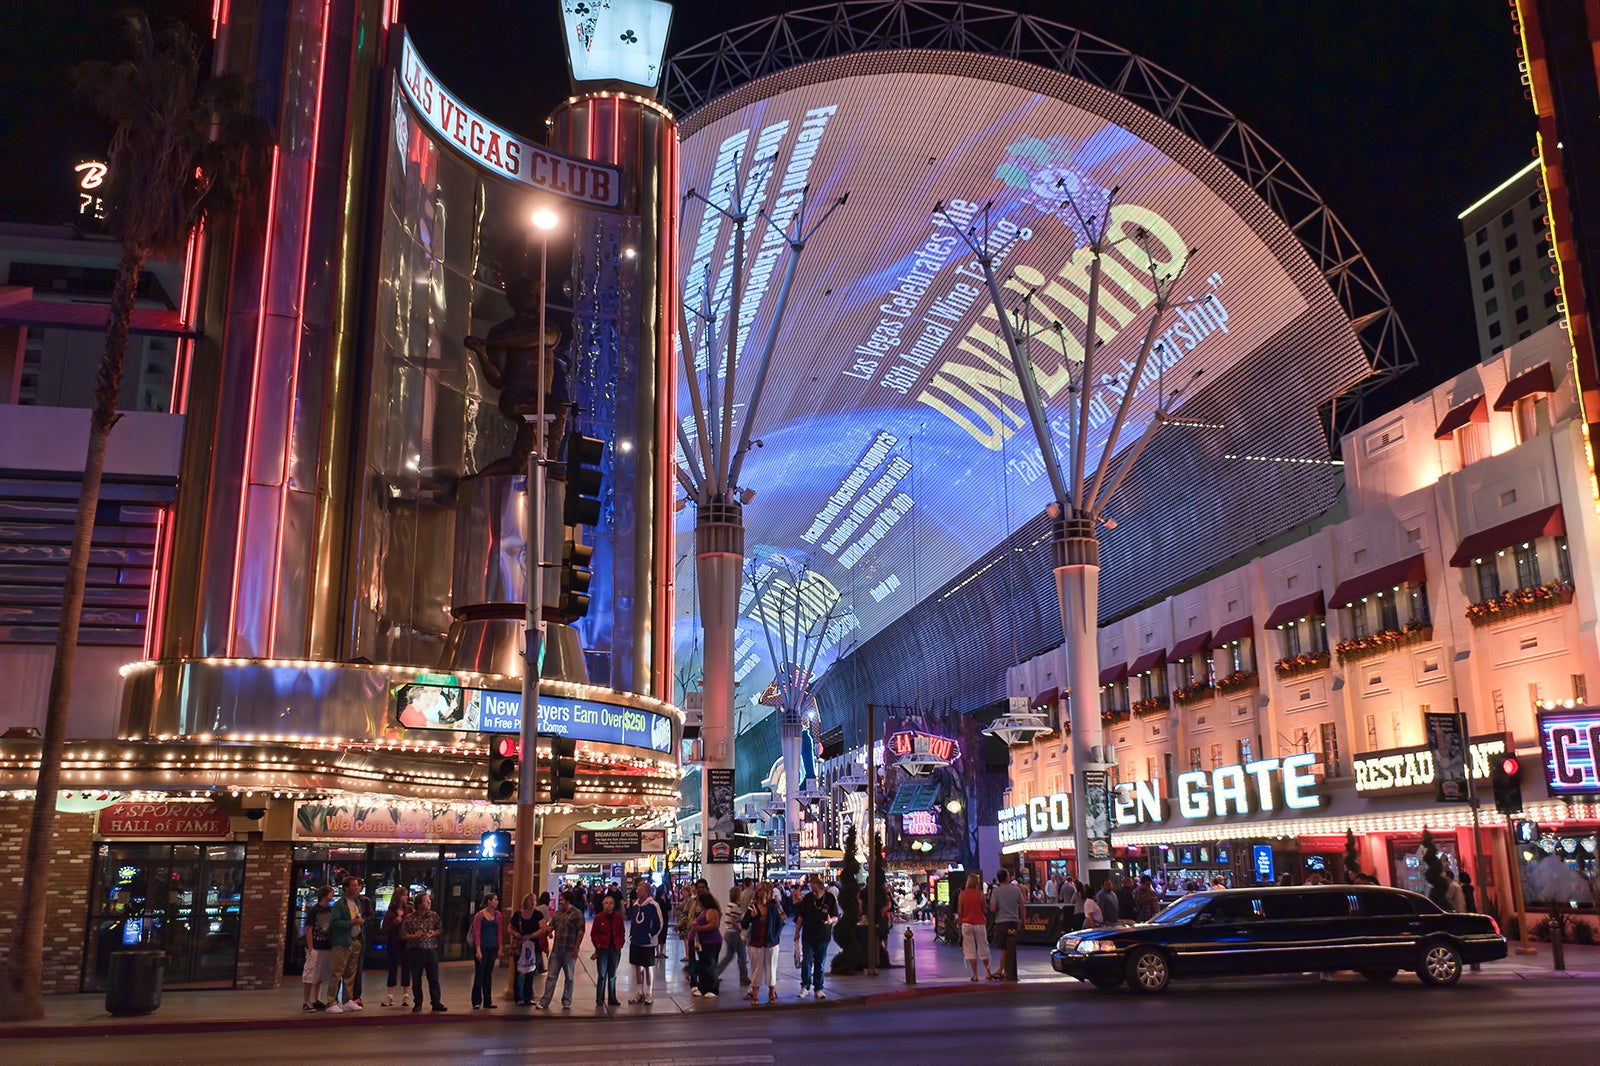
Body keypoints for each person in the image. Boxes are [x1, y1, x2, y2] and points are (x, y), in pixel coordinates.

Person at [537, 890, 586, 1010]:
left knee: (569, 977)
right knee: (551, 976)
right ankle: (544, 1001)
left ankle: (566, 1001)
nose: (560, 901)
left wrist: (576, 947)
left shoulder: (577, 914)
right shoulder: (558, 914)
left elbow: (580, 932)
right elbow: (551, 927)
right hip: (557, 950)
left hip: (569, 950)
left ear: (568, 901)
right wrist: (544, 928)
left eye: (562, 899)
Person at [793, 875, 839, 1000]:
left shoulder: (829, 898)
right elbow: (800, 916)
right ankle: (806, 986)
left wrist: (830, 921)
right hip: (808, 935)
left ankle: (819, 988)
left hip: (823, 936)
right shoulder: (808, 898)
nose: (813, 892)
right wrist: (797, 932)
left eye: (815, 890)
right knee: (807, 961)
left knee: (820, 963)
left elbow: (836, 916)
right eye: (812, 890)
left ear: (821, 888)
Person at [326, 876, 366, 1013]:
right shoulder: (340, 905)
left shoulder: (356, 903)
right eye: (354, 886)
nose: (357, 888)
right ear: (347, 888)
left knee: (351, 973)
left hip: (355, 940)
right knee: (337, 972)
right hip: (342, 942)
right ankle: (331, 1001)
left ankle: (347, 1000)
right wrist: (351, 923)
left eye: (358, 885)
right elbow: (334, 924)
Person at [402, 890, 446, 1013]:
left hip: (430, 949)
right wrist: (414, 936)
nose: (429, 902)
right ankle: (418, 1003)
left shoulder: (434, 916)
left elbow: (439, 929)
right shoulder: (410, 918)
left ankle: (436, 1002)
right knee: (416, 979)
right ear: (420, 904)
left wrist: (433, 933)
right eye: (426, 901)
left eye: (429, 901)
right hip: (415, 951)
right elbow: (403, 934)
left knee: (434, 978)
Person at [741, 881, 783, 1004]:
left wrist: (775, 937)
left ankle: (772, 992)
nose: (762, 893)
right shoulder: (752, 906)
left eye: (764, 890)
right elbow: (743, 924)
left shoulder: (773, 906)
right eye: (760, 890)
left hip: (771, 943)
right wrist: (752, 917)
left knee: (771, 969)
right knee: (756, 970)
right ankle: (755, 995)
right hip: (755, 943)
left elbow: (779, 923)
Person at [627, 879, 664, 1004]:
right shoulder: (635, 905)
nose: (637, 891)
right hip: (636, 941)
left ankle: (649, 992)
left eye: (640, 889)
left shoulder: (653, 905)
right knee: (638, 967)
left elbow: (659, 923)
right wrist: (632, 935)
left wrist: (651, 935)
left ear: (647, 891)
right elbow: (633, 922)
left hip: (648, 942)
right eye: (637, 889)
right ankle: (639, 992)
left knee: (648, 967)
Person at [302, 885, 334, 1012]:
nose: (332, 895)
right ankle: (306, 1001)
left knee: (321, 974)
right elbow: (308, 928)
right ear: (325, 895)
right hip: (315, 945)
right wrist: (311, 947)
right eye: (331, 893)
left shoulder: (330, 910)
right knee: (310, 973)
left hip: (327, 946)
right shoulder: (314, 910)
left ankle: (316, 999)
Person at [988, 869, 1024, 981]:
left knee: (1003, 947)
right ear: (1007, 877)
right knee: (1011, 946)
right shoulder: (1016, 890)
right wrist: (1022, 920)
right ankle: (1008, 971)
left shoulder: (996, 892)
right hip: (1013, 921)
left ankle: (1001, 970)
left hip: (1001, 922)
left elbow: (992, 908)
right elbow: (1022, 906)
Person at [956, 872, 993, 981]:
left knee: (969, 949)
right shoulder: (980, 894)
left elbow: (959, 911)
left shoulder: (962, 894)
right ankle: (988, 972)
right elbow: (985, 909)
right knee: (983, 947)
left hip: (967, 923)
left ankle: (975, 974)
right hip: (979, 923)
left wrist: (960, 920)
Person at [590, 893, 625, 1007]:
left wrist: (620, 943)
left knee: (612, 974)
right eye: (606, 903)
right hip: (603, 949)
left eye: (610, 903)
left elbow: (622, 932)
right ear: (603, 905)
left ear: (614, 905)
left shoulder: (618, 917)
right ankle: (599, 999)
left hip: (615, 948)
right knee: (602, 974)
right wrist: (598, 945)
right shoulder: (599, 917)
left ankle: (612, 998)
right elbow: (593, 934)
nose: (608, 905)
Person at [469, 891, 502, 1010]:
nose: (497, 902)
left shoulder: (498, 915)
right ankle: (476, 1001)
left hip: (492, 947)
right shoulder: (479, 915)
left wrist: (500, 947)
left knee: (488, 975)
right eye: (495, 899)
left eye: (497, 900)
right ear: (489, 901)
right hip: (482, 947)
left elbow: (499, 932)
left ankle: (488, 1001)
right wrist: (478, 950)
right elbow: (476, 933)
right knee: (480, 974)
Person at [508, 893, 541, 1006]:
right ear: (526, 901)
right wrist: (516, 934)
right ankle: (519, 997)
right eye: (531, 900)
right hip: (520, 946)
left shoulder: (537, 914)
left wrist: (531, 936)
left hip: (532, 945)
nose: (533, 902)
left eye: (535, 900)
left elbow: (543, 929)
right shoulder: (518, 915)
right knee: (519, 972)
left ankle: (528, 997)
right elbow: (509, 928)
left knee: (530, 972)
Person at [689, 890, 723, 998]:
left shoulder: (712, 911)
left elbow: (714, 925)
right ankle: (703, 988)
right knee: (703, 966)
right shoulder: (704, 911)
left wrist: (700, 928)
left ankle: (713, 989)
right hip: (704, 942)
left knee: (711, 966)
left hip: (711, 942)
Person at [379, 889, 410, 1007]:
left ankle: (406, 995)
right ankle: (390, 995)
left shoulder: (408, 910)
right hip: (393, 942)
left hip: (406, 942)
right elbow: (384, 930)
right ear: (399, 897)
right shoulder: (390, 913)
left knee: (406, 968)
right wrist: (395, 922)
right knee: (392, 967)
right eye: (404, 895)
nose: (406, 897)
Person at [717, 882, 751, 988]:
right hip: (734, 933)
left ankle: (715, 974)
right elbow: (733, 920)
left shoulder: (729, 905)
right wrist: (739, 928)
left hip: (727, 933)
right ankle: (744, 978)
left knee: (728, 956)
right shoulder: (735, 907)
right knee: (742, 955)